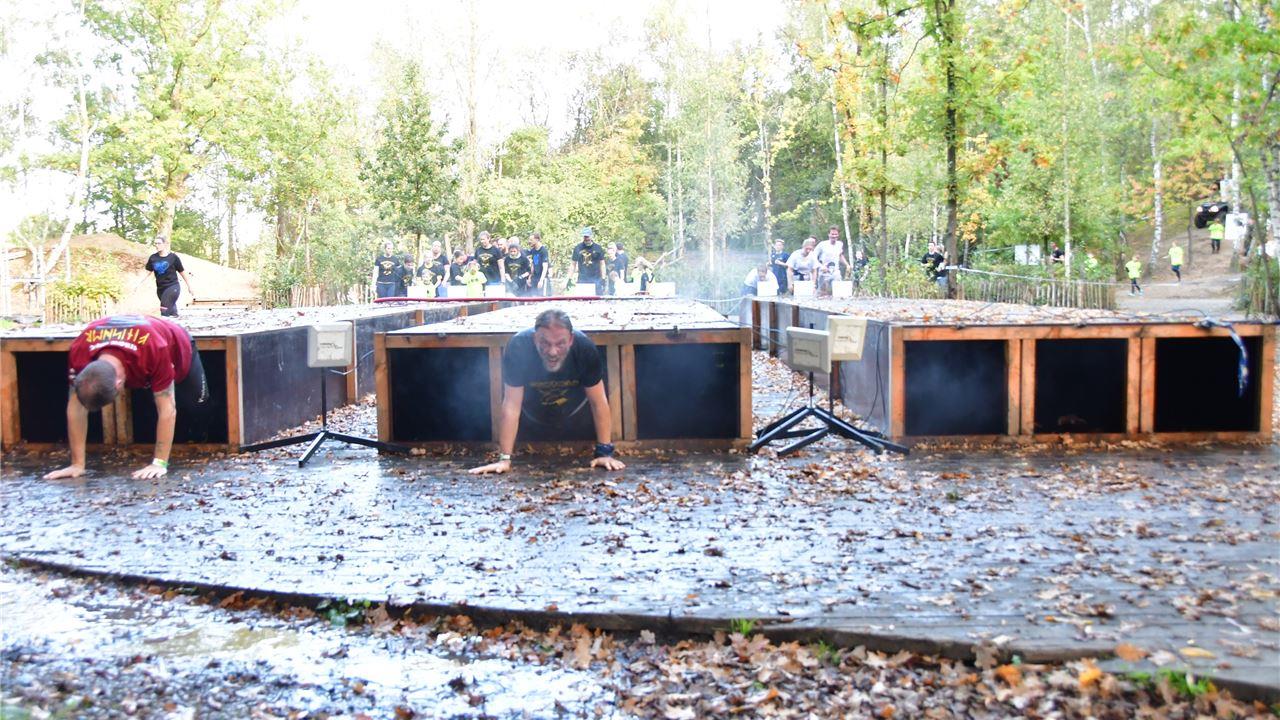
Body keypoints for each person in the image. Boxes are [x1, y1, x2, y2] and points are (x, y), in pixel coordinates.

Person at [44, 314, 208, 481]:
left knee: (196, 404)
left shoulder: (155, 349)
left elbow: (168, 410)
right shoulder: (80, 351)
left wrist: (159, 463)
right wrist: (77, 465)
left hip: (175, 345)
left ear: (118, 384)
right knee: (149, 405)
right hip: (134, 354)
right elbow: (76, 408)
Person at [469, 308, 625, 475]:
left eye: (560, 344)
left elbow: (598, 402)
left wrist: (604, 453)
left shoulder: (584, 348)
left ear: (571, 340)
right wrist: (504, 459)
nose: (552, 352)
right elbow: (511, 405)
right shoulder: (519, 346)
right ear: (535, 338)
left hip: (575, 416)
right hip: (530, 419)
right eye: (545, 343)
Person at [142, 235, 195, 317]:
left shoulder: (173, 257)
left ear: (165, 244)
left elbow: (182, 272)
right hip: (160, 289)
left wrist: (189, 286)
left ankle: (164, 323)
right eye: (155, 243)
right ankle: (175, 321)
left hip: (173, 287)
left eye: (159, 243)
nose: (156, 245)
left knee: (164, 309)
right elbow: (147, 272)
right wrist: (138, 283)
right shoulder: (153, 258)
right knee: (172, 312)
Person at [814, 226, 849, 294]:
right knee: (823, 293)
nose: (834, 236)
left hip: (836, 272)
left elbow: (840, 255)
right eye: (832, 234)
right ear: (829, 234)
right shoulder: (822, 244)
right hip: (824, 272)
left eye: (836, 234)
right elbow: (813, 257)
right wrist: (821, 266)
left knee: (838, 292)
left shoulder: (840, 244)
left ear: (838, 235)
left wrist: (847, 264)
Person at [571, 227, 606, 293]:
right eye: (585, 236)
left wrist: (603, 278)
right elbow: (573, 264)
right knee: (582, 298)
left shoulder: (598, 248)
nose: (586, 238)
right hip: (582, 279)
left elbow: (602, 264)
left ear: (591, 236)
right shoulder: (578, 248)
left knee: (597, 298)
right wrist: (569, 278)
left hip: (596, 279)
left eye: (588, 236)